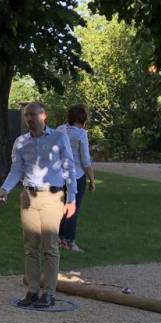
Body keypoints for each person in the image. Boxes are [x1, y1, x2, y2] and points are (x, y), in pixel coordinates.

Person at [0, 102, 77, 308]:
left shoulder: (59, 138)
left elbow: (69, 168)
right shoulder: (21, 142)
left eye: (33, 114)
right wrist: (5, 189)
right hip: (28, 197)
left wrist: (71, 198)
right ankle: (32, 290)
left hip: (52, 196)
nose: (29, 119)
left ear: (44, 116)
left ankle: (48, 293)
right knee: (30, 247)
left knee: (50, 246)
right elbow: (16, 170)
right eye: (26, 115)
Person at [56, 104, 96, 252]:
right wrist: (92, 180)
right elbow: (86, 160)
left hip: (60, 175)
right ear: (83, 117)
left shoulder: (60, 129)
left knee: (61, 209)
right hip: (76, 175)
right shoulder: (81, 134)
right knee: (72, 209)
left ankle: (59, 239)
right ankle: (69, 241)